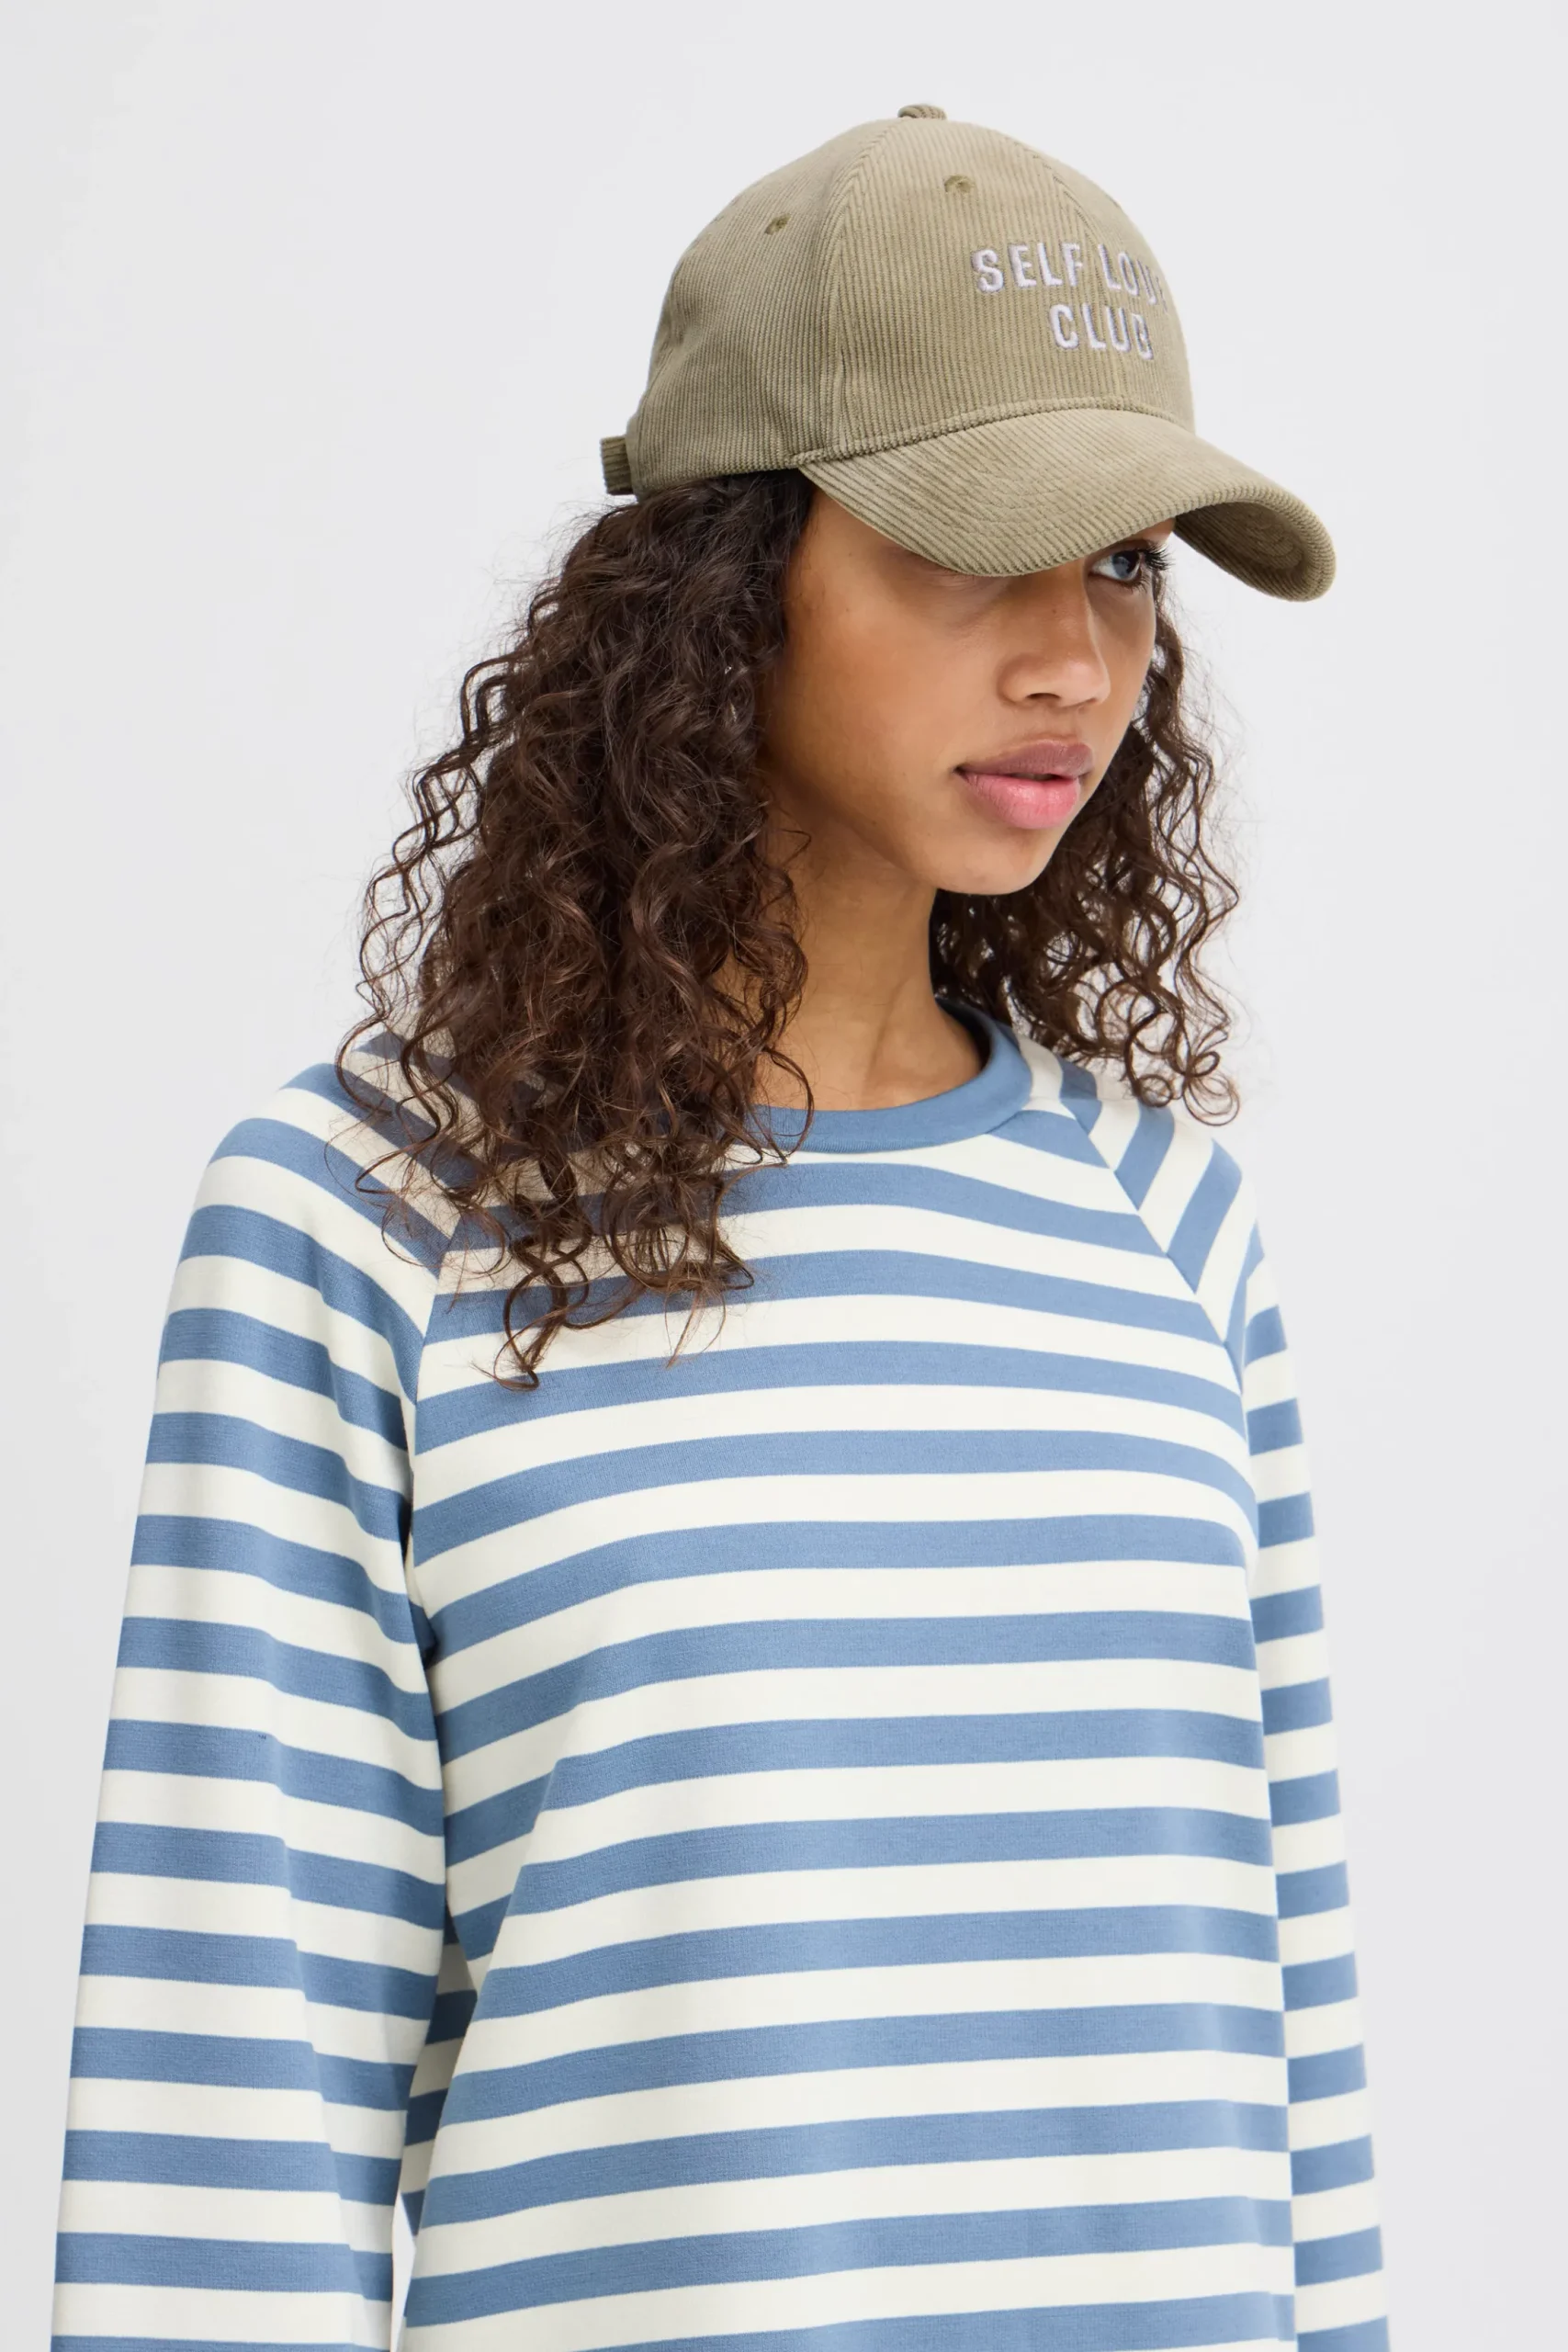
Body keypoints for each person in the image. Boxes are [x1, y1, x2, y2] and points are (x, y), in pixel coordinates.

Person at [51, 105, 1389, 2352]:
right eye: (975, 547)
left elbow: (1292, 2047)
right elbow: (233, 2101)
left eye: (1124, 563)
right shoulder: (366, 1225)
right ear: (720, 580)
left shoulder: (1166, 1225)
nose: (1076, 661)